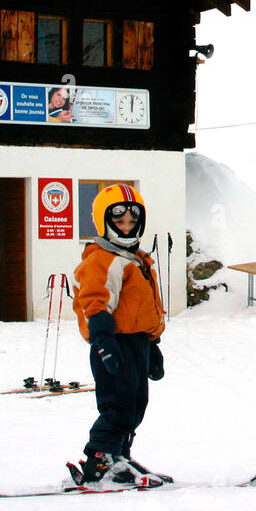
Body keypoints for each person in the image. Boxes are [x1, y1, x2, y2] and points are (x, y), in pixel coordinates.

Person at [71, 184, 166, 486]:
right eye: (119, 221)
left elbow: (141, 308)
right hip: (113, 343)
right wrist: (102, 340)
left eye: (132, 222)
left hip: (136, 342)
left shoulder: (135, 258)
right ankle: (99, 460)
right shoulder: (102, 259)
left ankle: (119, 455)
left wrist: (152, 345)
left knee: (136, 404)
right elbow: (93, 300)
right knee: (118, 404)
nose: (126, 227)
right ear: (104, 223)